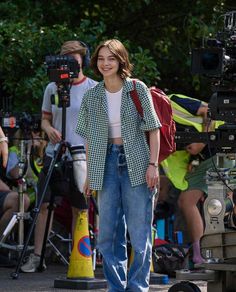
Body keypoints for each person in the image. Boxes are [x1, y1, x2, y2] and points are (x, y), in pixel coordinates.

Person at [76, 39, 161, 292]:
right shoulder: (92, 95)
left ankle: (137, 288)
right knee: (108, 235)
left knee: (139, 232)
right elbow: (90, 136)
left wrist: (153, 165)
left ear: (121, 60)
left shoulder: (137, 89)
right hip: (105, 163)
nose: (105, 63)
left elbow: (154, 129)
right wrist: (91, 174)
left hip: (137, 160)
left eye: (110, 58)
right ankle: (116, 287)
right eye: (101, 59)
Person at [20, 40, 97, 273]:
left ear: (83, 59)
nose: (71, 63)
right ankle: (36, 256)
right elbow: (45, 118)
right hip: (55, 154)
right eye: (66, 59)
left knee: (79, 208)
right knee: (43, 205)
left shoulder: (93, 88)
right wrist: (48, 128)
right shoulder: (52, 87)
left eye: (75, 59)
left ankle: (79, 258)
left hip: (80, 155)